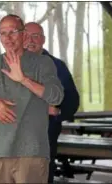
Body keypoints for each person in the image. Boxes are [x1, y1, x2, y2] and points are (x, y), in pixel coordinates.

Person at [0, 14, 64, 183]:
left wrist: (23, 79)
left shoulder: (43, 63)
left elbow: (56, 96)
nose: (8, 38)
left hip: (32, 152)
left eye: (12, 32)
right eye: (3, 33)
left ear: (23, 34)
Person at [24, 22, 80, 183]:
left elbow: (72, 99)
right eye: (26, 36)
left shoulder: (57, 66)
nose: (30, 40)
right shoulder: (9, 64)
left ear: (43, 40)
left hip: (43, 138)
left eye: (35, 36)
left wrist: (58, 111)